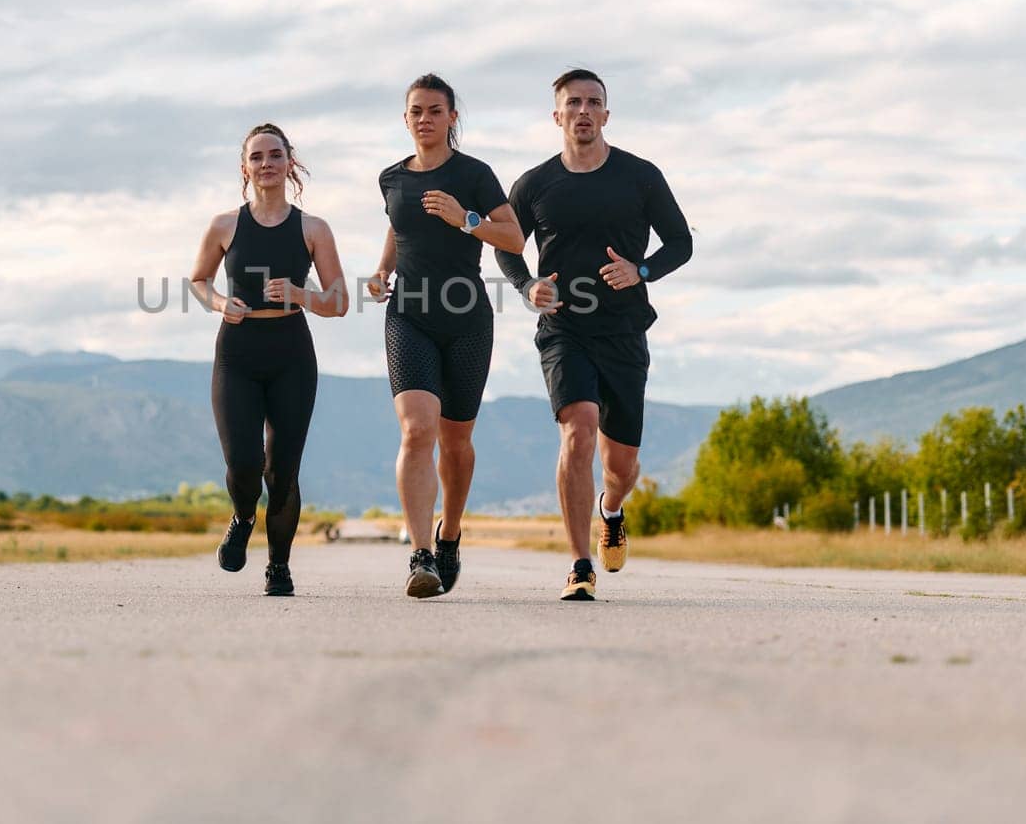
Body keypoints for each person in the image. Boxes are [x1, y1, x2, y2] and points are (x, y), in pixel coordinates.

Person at [495, 69, 692, 600]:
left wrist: (641, 271)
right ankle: (580, 565)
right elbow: (507, 245)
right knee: (578, 430)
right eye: (573, 103)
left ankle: (612, 509)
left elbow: (680, 242)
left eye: (593, 103)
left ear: (606, 114)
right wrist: (526, 283)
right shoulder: (534, 184)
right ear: (556, 115)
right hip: (564, 330)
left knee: (621, 465)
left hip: (625, 330)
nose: (583, 111)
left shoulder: (640, 176)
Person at [367, 75, 524, 598]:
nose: (425, 119)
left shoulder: (474, 174)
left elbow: (514, 238)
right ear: (405, 118)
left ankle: (449, 534)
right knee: (417, 431)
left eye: (436, 110)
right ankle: (420, 554)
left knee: (456, 443)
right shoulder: (391, 177)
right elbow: (398, 224)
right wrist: (381, 269)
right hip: (408, 315)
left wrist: (466, 218)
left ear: (452, 117)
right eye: (416, 111)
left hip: (466, 319)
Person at [189, 124, 348, 596]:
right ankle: (242, 515)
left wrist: (301, 293)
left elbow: (338, 301)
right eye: (256, 157)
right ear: (245, 168)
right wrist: (220, 303)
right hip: (236, 352)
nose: (266, 164)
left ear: (289, 163)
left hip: (291, 353)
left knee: (282, 471)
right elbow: (198, 280)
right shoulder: (224, 225)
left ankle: (278, 564)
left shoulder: (313, 228)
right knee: (242, 462)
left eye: (275, 155)